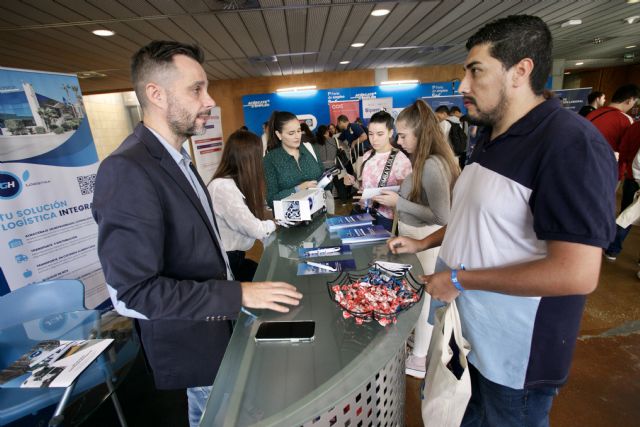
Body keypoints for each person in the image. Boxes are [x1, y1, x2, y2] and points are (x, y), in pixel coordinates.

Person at [388, 15, 616, 426]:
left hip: (515, 355)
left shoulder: (569, 144)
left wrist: (459, 280)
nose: (462, 86)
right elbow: (478, 221)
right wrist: (424, 244)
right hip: (470, 337)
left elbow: (577, 273)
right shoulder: (491, 137)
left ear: (520, 71)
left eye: (475, 71)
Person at [92, 40, 302, 427]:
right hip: (193, 345)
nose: (209, 101)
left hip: (219, 329)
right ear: (155, 94)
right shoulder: (127, 170)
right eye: (196, 90)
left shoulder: (177, 159)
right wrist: (238, 292)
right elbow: (132, 292)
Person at [373, 99, 460, 378]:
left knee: (423, 300)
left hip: (425, 240)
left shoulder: (433, 165)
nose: (398, 141)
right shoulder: (428, 161)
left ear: (420, 134)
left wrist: (399, 202)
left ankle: (420, 358)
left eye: (403, 135)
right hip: (418, 238)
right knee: (419, 297)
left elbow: (441, 216)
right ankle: (420, 347)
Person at [207, 130, 278, 281]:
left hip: (235, 258)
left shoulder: (235, 183)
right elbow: (254, 228)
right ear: (249, 158)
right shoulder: (223, 187)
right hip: (225, 264)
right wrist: (276, 224)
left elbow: (255, 215)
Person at [343, 110, 412, 231]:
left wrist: (396, 200)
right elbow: (364, 187)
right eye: (370, 134)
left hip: (384, 219)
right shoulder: (367, 155)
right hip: (362, 213)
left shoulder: (400, 160)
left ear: (390, 133)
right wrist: (352, 181)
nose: (374, 139)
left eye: (380, 134)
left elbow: (408, 198)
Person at [263, 110, 324, 208]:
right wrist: (299, 188)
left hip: (320, 216)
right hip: (293, 220)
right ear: (279, 135)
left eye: (299, 131)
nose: (297, 136)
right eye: (291, 133)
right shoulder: (270, 160)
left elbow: (323, 178)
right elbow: (271, 200)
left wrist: (334, 178)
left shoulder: (310, 148)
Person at [604, 120, 640, 261]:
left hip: (632, 179)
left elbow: (623, 149)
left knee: (626, 215)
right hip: (635, 179)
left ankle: (612, 249)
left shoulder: (635, 126)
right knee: (627, 216)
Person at [586, 83, 638, 152]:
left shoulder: (592, 113)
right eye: (635, 103)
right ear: (630, 100)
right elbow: (627, 151)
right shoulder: (626, 120)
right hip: (605, 160)